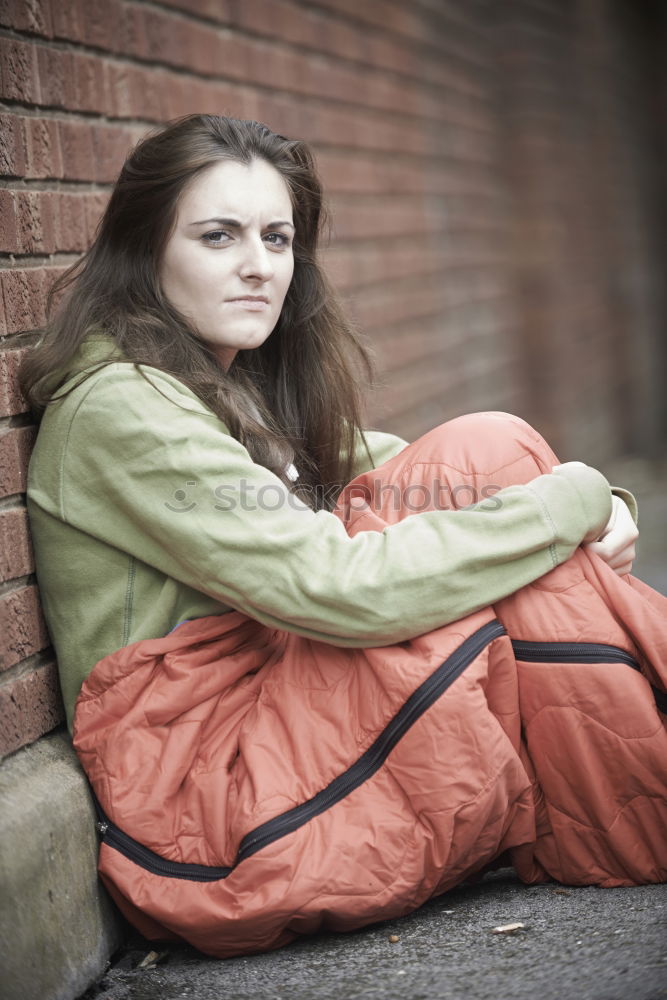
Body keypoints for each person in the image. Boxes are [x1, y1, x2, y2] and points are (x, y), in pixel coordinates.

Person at [21, 115, 663, 958]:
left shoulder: (225, 386)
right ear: (144, 251)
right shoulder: (122, 406)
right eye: (218, 237)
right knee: (504, 539)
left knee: (488, 451)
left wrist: (592, 498)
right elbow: (343, 589)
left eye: (277, 238)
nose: (258, 265)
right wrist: (574, 502)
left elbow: (451, 478)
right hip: (208, 808)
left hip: (282, 722)